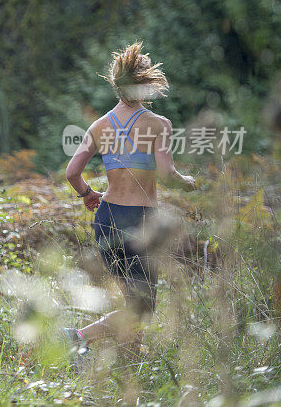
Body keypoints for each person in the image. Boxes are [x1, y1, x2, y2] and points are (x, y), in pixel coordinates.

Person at [63, 42, 195, 359]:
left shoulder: (99, 126)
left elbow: (71, 172)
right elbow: (166, 174)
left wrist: (87, 194)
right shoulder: (158, 125)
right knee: (141, 306)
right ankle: (77, 336)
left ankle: (128, 366)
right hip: (140, 222)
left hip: (107, 217)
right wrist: (187, 182)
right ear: (145, 84)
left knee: (131, 298)